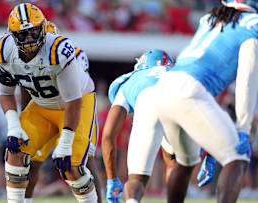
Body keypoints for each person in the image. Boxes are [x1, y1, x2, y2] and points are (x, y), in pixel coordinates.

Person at [152, 1, 256, 202]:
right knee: (237, 157)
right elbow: (247, 79)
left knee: (186, 161)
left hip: (166, 85)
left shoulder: (210, 19)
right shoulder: (252, 24)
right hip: (190, 89)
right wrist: (243, 128)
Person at [0, 3, 98, 203]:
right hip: (42, 106)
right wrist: (14, 126)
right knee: (15, 153)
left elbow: (73, 101)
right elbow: (5, 92)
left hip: (76, 104)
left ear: (42, 28)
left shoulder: (57, 50)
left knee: (72, 167)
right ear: (12, 35)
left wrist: (65, 143)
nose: (30, 38)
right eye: (23, 34)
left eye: (33, 31)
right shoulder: (5, 50)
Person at [23, 21, 102, 203]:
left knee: (82, 162)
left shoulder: (74, 54)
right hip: (46, 111)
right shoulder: (27, 57)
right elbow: (25, 87)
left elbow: (79, 90)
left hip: (76, 110)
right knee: (29, 161)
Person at [102, 50, 176, 203]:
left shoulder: (132, 79)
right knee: (177, 164)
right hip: (180, 100)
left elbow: (108, 134)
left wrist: (111, 179)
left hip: (149, 102)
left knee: (136, 179)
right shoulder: (179, 74)